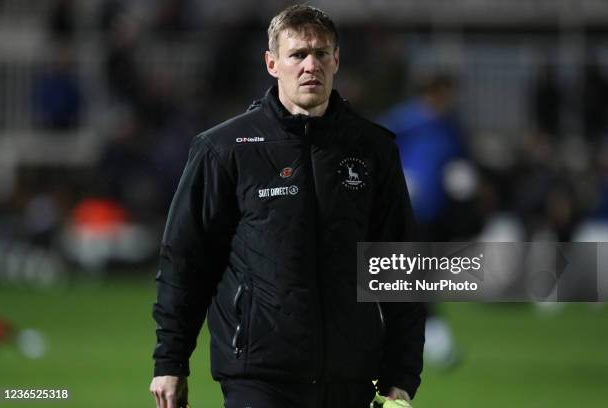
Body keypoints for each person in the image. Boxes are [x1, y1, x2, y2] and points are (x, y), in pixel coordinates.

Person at [150, 5, 425, 408]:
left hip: (350, 378)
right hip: (258, 378)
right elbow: (185, 261)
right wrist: (170, 361)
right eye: (298, 54)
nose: (310, 65)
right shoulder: (223, 149)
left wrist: (401, 374)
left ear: (336, 60)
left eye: (321, 53)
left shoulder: (373, 148)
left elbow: (400, 264)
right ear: (272, 63)